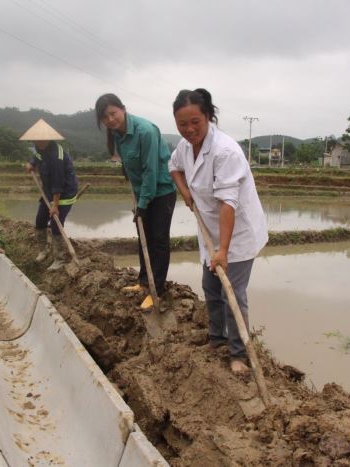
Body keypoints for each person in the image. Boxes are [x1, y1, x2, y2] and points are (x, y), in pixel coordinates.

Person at [168, 89, 268, 374]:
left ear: (209, 117)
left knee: (232, 295)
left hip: (235, 233)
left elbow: (228, 204)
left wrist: (223, 250)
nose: (189, 130)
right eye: (182, 124)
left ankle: (238, 355)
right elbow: (173, 167)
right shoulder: (185, 146)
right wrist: (186, 193)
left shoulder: (226, 151)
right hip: (210, 231)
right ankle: (216, 339)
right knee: (211, 288)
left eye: (195, 122)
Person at [95, 93, 176, 310]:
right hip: (142, 192)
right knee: (143, 236)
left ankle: (157, 289)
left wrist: (143, 204)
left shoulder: (145, 131)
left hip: (161, 191)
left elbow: (150, 170)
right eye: (105, 117)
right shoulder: (117, 135)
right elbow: (131, 165)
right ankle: (143, 282)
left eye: (113, 113)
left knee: (158, 239)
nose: (110, 120)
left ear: (123, 109)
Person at [20, 119, 79, 270]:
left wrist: (55, 205)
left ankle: (59, 259)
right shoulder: (39, 148)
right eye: (34, 139)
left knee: (55, 224)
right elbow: (37, 157)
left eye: (38, 139)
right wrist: (31, 164)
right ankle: (43, 250)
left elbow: (58, 182)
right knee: (40, 221)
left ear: (46, 138)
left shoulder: (56, 156)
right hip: (48, 191)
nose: (35, 142)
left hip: (63, 193)